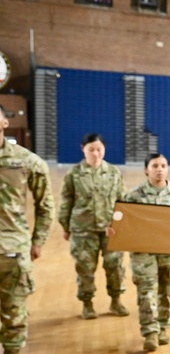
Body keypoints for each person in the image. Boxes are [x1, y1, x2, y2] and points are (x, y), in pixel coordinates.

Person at [0, 113, 53, 354]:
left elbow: (46, 205)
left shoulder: (27, 162)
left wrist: (38, 240)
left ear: (4, 122)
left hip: (13, 251)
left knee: (14, 313)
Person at [122, 154, 170, 352]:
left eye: (163, 165)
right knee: (146, 291)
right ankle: (150, 331)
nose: (159, 169)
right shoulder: (134, 195)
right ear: (146, 170)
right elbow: (125, 222)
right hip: (144, 252)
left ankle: (163, 327)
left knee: (167, 291)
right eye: (155, 166)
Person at [58, 133, 129, 320]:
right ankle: (87, 304)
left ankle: (116, 301)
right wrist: (65, 226)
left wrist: (123, 226)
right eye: (91, 150)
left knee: (115, 266)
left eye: (99, 149)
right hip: (83, 229)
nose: (96, 154)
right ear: (83, 149)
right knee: (85, 268)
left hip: (110, 229)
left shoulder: (114, 172)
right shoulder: (74, 174)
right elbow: (66, 200)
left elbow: (123, 201)